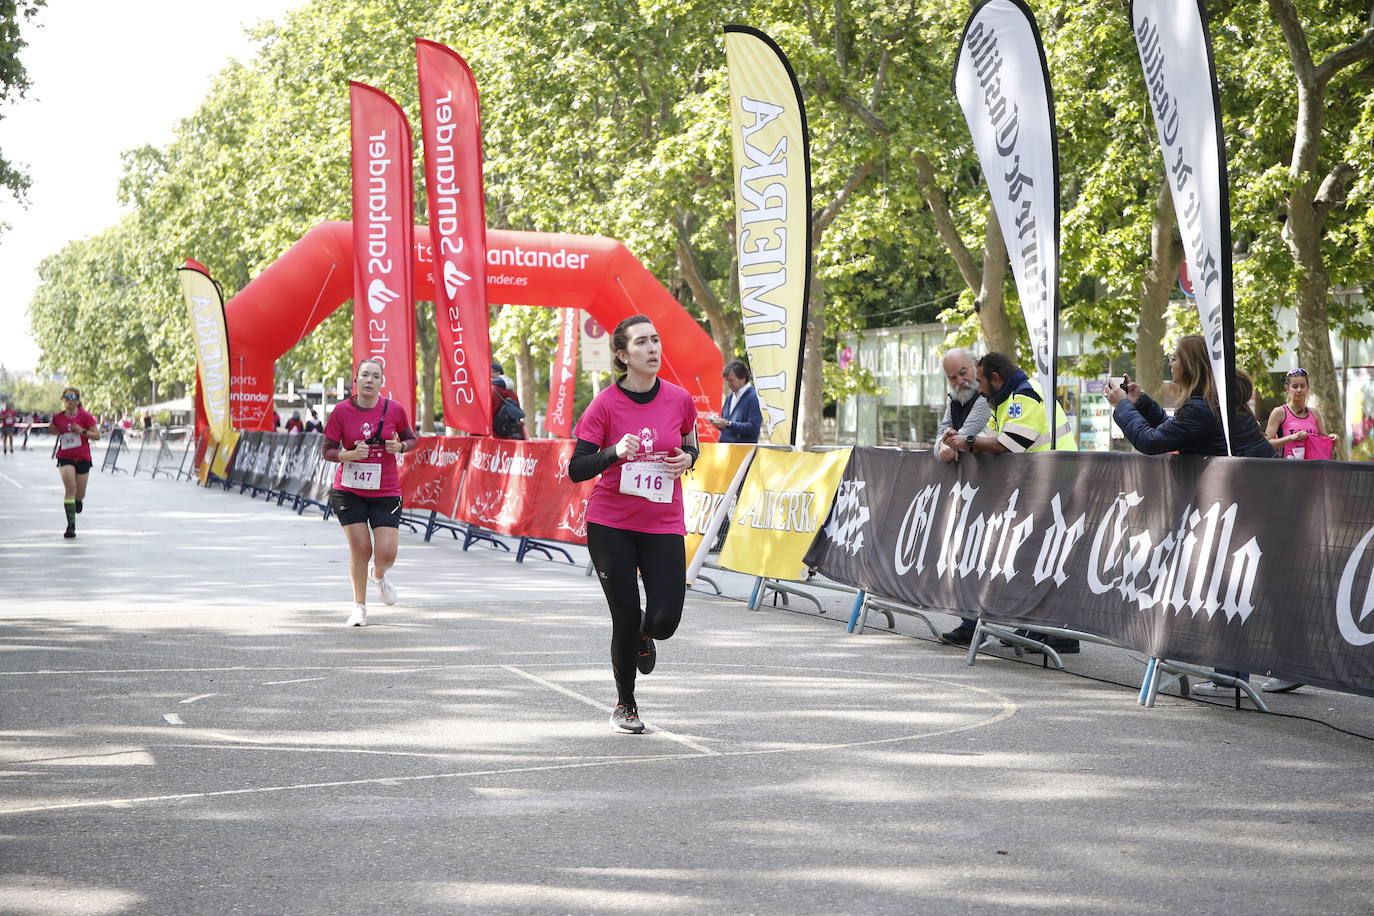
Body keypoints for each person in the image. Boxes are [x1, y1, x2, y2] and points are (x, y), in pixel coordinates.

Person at [1106, 335, 1277, 696]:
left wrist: (1122, 407)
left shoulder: (1203, 408)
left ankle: (1234, 676)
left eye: (1175, 358)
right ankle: (1233, 673)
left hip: (1240, 507)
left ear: (1190, 365)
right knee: (1228, 585)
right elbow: (1171, 429)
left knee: (1227, 585)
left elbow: (1152, 442)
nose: (1171, 363)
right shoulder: (1214, 403)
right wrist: (1141, 403)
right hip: (1249, 502)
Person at [568, 314, 699, 734]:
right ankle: (625, 704)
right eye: (642, 343)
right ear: (623, 355)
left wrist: (688, 459)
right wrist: (613, 453)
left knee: (664, 621)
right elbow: (577, 469)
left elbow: (691, 444)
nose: (653, 348)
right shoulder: (604, 404)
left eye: (656, 340)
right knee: (624, 614)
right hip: (612, 524)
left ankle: (646, 633)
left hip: (662, 522)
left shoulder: (680, 399)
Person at [942, 352, 1080, 653]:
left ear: (996, 379)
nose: (978, 389)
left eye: (980, 382)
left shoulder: (1025, 395)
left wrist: (966, 443)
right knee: (1035, 558)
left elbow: (1010, 444)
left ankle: (1057, 634)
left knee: (1044, 558)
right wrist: (962, 440)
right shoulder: (1004, 400)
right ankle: (1040, 629)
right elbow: (989, 436)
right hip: (1043, 485)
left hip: (1059, 482)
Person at [321, 358, 417, 627]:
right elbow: (327, 450)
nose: (370, 380)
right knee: (361, 548)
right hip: (348, 490)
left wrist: (399, 448)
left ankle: (379, 574)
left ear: (382, 382)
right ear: (356, 380)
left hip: (385, 490)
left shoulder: (394, 410)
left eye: (376, 376)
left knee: (386, 553)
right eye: (365, 375)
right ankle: (359, 607)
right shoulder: (341, 412)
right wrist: (348, 454)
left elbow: (412, 440)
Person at [932, 348, 993, 646]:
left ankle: (980, 625)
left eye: (963, 373)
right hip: (971, 491)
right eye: (952, 377)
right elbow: (942, 437)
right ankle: (971, 623)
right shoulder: (954, 401)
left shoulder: (984, 398)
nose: (958, 381)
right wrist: (944, 447)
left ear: (976, 367)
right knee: (967, 555)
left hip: (993, 488)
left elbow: (962, 436)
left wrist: (950, 445)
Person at [50, 387, 101, 539]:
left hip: (83, 458)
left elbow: (97, 435)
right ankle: (71, 526)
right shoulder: (58, 417)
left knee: (79, 494)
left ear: (77, 401)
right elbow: (55, 430)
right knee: (70, 488)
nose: (69, 400)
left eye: (72, 398)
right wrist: (52, 430)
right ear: (63, 399)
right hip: (65, 456)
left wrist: (82, 431)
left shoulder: (85, 416)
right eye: (66, 397)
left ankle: (78, 501)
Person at [1265, 367, 1338, 460]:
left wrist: (1333, 438)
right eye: (1295, 386)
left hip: (1312, 468)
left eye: (1302, 386)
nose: (1299, 390)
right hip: (1288, 468)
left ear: (1308, 388)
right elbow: (1267, 443)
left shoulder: (1314, 413)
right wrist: (1292, 437)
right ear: (1287, 388)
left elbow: (1325, 440)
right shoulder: (1279, 412)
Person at [708, 359, 762, 443]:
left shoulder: (754, 397)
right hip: (726, 449)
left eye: (731, 380)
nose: (729, 384)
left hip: (743, 451)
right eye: (727, 380)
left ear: (743, 378)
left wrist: (728, 424)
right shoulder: (730, 397)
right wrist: (718, 422)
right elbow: (726, 424)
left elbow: (754, 428)